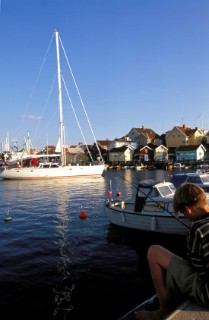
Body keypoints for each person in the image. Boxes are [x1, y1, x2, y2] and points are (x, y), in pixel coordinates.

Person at [135, 183, 209, 320]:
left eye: (182, 213)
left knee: (154, 251)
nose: (185, 217)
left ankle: (162, 311)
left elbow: (197, 267)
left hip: (207, 293)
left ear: (188, 210)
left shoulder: (197, 228)